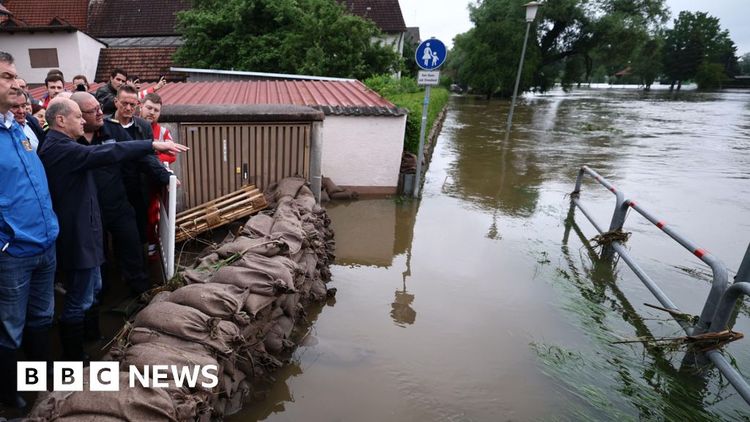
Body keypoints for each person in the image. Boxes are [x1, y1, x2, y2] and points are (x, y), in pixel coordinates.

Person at [37, 98, 187, 361]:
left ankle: (92, 338)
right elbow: (107, 153)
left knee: (92, 289)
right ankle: (75, 357)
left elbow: (114, 148)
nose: (84, 121)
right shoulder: (59, 148)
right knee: (79, 299)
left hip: (89, 231)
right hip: (77, 236)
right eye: (78, 117)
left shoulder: (66, 144)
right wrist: (151, 144)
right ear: (61, 120)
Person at [0, 51, 59, 409]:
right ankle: (9, 398)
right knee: (10, 326)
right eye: (7, 77)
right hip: (14, 254)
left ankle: (40, 385)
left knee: (41, 319)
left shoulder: (16, 127)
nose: (16, 84)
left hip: (45, 244)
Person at [71, 92, 153, 300]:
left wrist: (165, 177)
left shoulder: (113, 130)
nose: (100, 113)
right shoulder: (68, 141)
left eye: (99, 108)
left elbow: (137, 154)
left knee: (132, 246)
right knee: (98, 256)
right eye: (93, 111)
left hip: (117, 204)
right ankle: (101, 297)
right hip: (88, 212)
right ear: (77, 115)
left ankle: (141, 292)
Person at [106, 85, 175, 244]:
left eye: (132, 104)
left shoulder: (144, 127)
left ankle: (143, 261)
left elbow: (150, 157)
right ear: (116, 101)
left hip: (140, 188)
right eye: (124, 103)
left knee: (142, 230)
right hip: (113, 190)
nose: (129, 108)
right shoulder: (104, 125)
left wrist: (166, 176)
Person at [139, 93, 176, 257]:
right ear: (141, 106)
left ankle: (152, 254)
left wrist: (149, 157)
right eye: (149, 108)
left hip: (152, 181)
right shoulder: (131, 126)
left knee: (152, 217)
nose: (152, 112)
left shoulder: (163, 131)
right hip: (131, 181)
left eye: (156, 110)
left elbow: (172, 154)